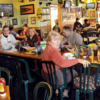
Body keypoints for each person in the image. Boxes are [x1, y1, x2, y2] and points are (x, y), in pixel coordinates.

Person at [42, 31, 90, 97]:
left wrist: (61, 57)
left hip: (48, 77)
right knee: (74, 73)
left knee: (68, 71)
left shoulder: (47, 48)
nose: (58, 42)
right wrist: (78, 60)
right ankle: (65, 92)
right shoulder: (53, 51)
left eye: (58, 40)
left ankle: (57, 90)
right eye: (55, 40)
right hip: (56, 78)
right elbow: (62, 63)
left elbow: (53, 58)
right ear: (49, 42)